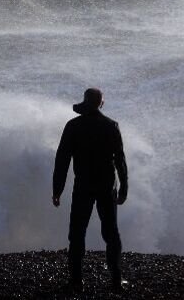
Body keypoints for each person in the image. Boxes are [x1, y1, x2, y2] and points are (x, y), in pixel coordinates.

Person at [53, 87, 129, 293]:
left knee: (77, 233)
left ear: (85, 101)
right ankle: (116, 281)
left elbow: (62, 160)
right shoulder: (111, 126)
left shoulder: (73, 126)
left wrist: (57, 190)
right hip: (106, 185)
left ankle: (76, 281)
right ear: (101, 103)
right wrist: (124, 187)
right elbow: (120, 160)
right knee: (111, 233)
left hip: (84, 185)